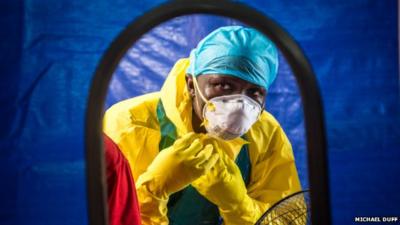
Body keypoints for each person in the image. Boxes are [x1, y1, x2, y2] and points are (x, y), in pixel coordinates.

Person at [103, 26, 302, 225]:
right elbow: (110, 215)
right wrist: (152, 190)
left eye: (254, 92)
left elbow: (289, 220)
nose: (239, 106)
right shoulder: (129, 122)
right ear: (191, 85)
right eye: (224, 86)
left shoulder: (265, 132)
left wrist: (238, 204)